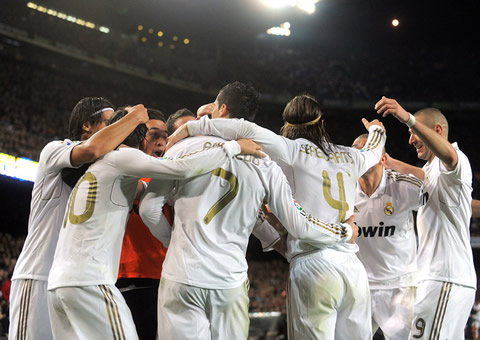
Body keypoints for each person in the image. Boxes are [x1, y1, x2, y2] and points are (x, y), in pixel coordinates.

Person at [168, 91, 387, 339]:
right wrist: (377, 131)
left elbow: (244, 128)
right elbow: (374, 151)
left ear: (288, 127)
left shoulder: (291, 150)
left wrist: (194, 128)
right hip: (352, 267)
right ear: (322, 124)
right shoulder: (352, 156)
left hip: (313, 262)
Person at [46, 108, 262, 340]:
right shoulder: (125, 156)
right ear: (139, 137)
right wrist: (234, 148)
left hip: (59, 284)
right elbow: (182, 169)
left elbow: (143, 190)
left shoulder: (104, 167)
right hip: (90, 282)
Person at [8, 98, 148, 340]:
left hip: (73, 285)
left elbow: (141, 188)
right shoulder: (56, 150)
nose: (118, 127)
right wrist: (133, 118)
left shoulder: (106, 168)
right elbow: (91, 150)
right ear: (87, 126)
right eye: (110, 122)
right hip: (38, 277)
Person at [375, 96, 476, 339]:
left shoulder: (455, 160)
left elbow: (450, 156)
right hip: (442, 280)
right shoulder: (433, 171)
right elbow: (423, 176)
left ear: (437, 131)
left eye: (413, 132)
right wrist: (390, 162)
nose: (410, 139)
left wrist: (406, 116)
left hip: (444, 278)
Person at [352, 133, 422, 339]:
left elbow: (445, 197)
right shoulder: (343, 189)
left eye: (366, 147)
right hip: (360, 287)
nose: (359, 152)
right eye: (355, 148)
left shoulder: (403, 185)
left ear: (382, 158)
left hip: (400, 287)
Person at [116, 108, 170, 340]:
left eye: (165, 137)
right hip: (128, 275)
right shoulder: (122, 171)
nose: (161, 142)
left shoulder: (169, 177)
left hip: (166, 277)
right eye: (154, 135)